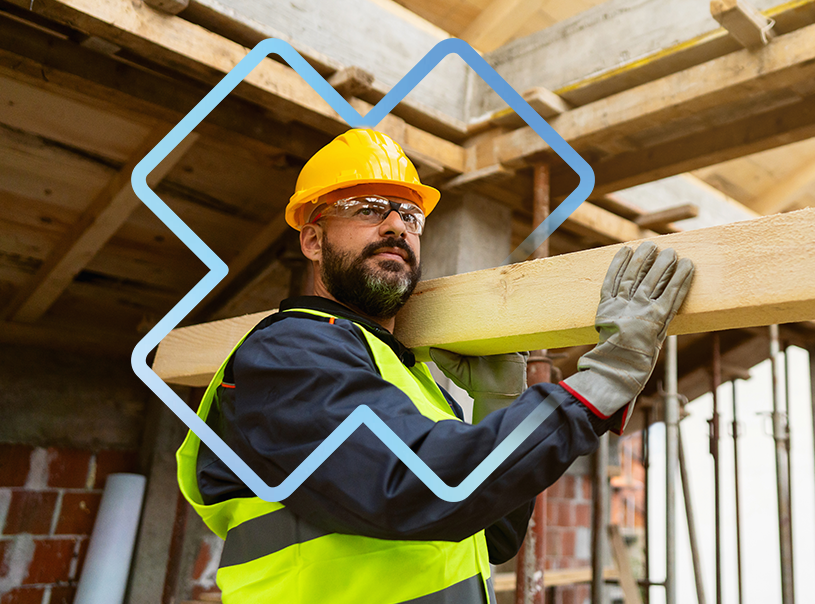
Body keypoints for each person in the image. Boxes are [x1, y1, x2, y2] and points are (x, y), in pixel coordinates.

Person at [176, 128, 694, 603]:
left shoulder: (404, 377)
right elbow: (419, 487)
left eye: (410, 215)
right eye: (366, 208)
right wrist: (605, 380)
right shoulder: (288, 355)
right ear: (313, 240)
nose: (395, 225)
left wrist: (498, 405)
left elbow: (494, 536)